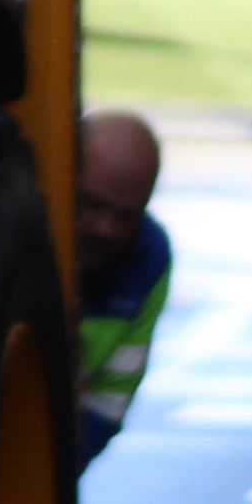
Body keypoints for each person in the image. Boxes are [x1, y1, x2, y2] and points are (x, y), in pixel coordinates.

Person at [72, 109, 169, 465]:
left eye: (126, 216)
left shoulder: (149, 259)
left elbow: (107, 407)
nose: (105, 229)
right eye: (92, 205)